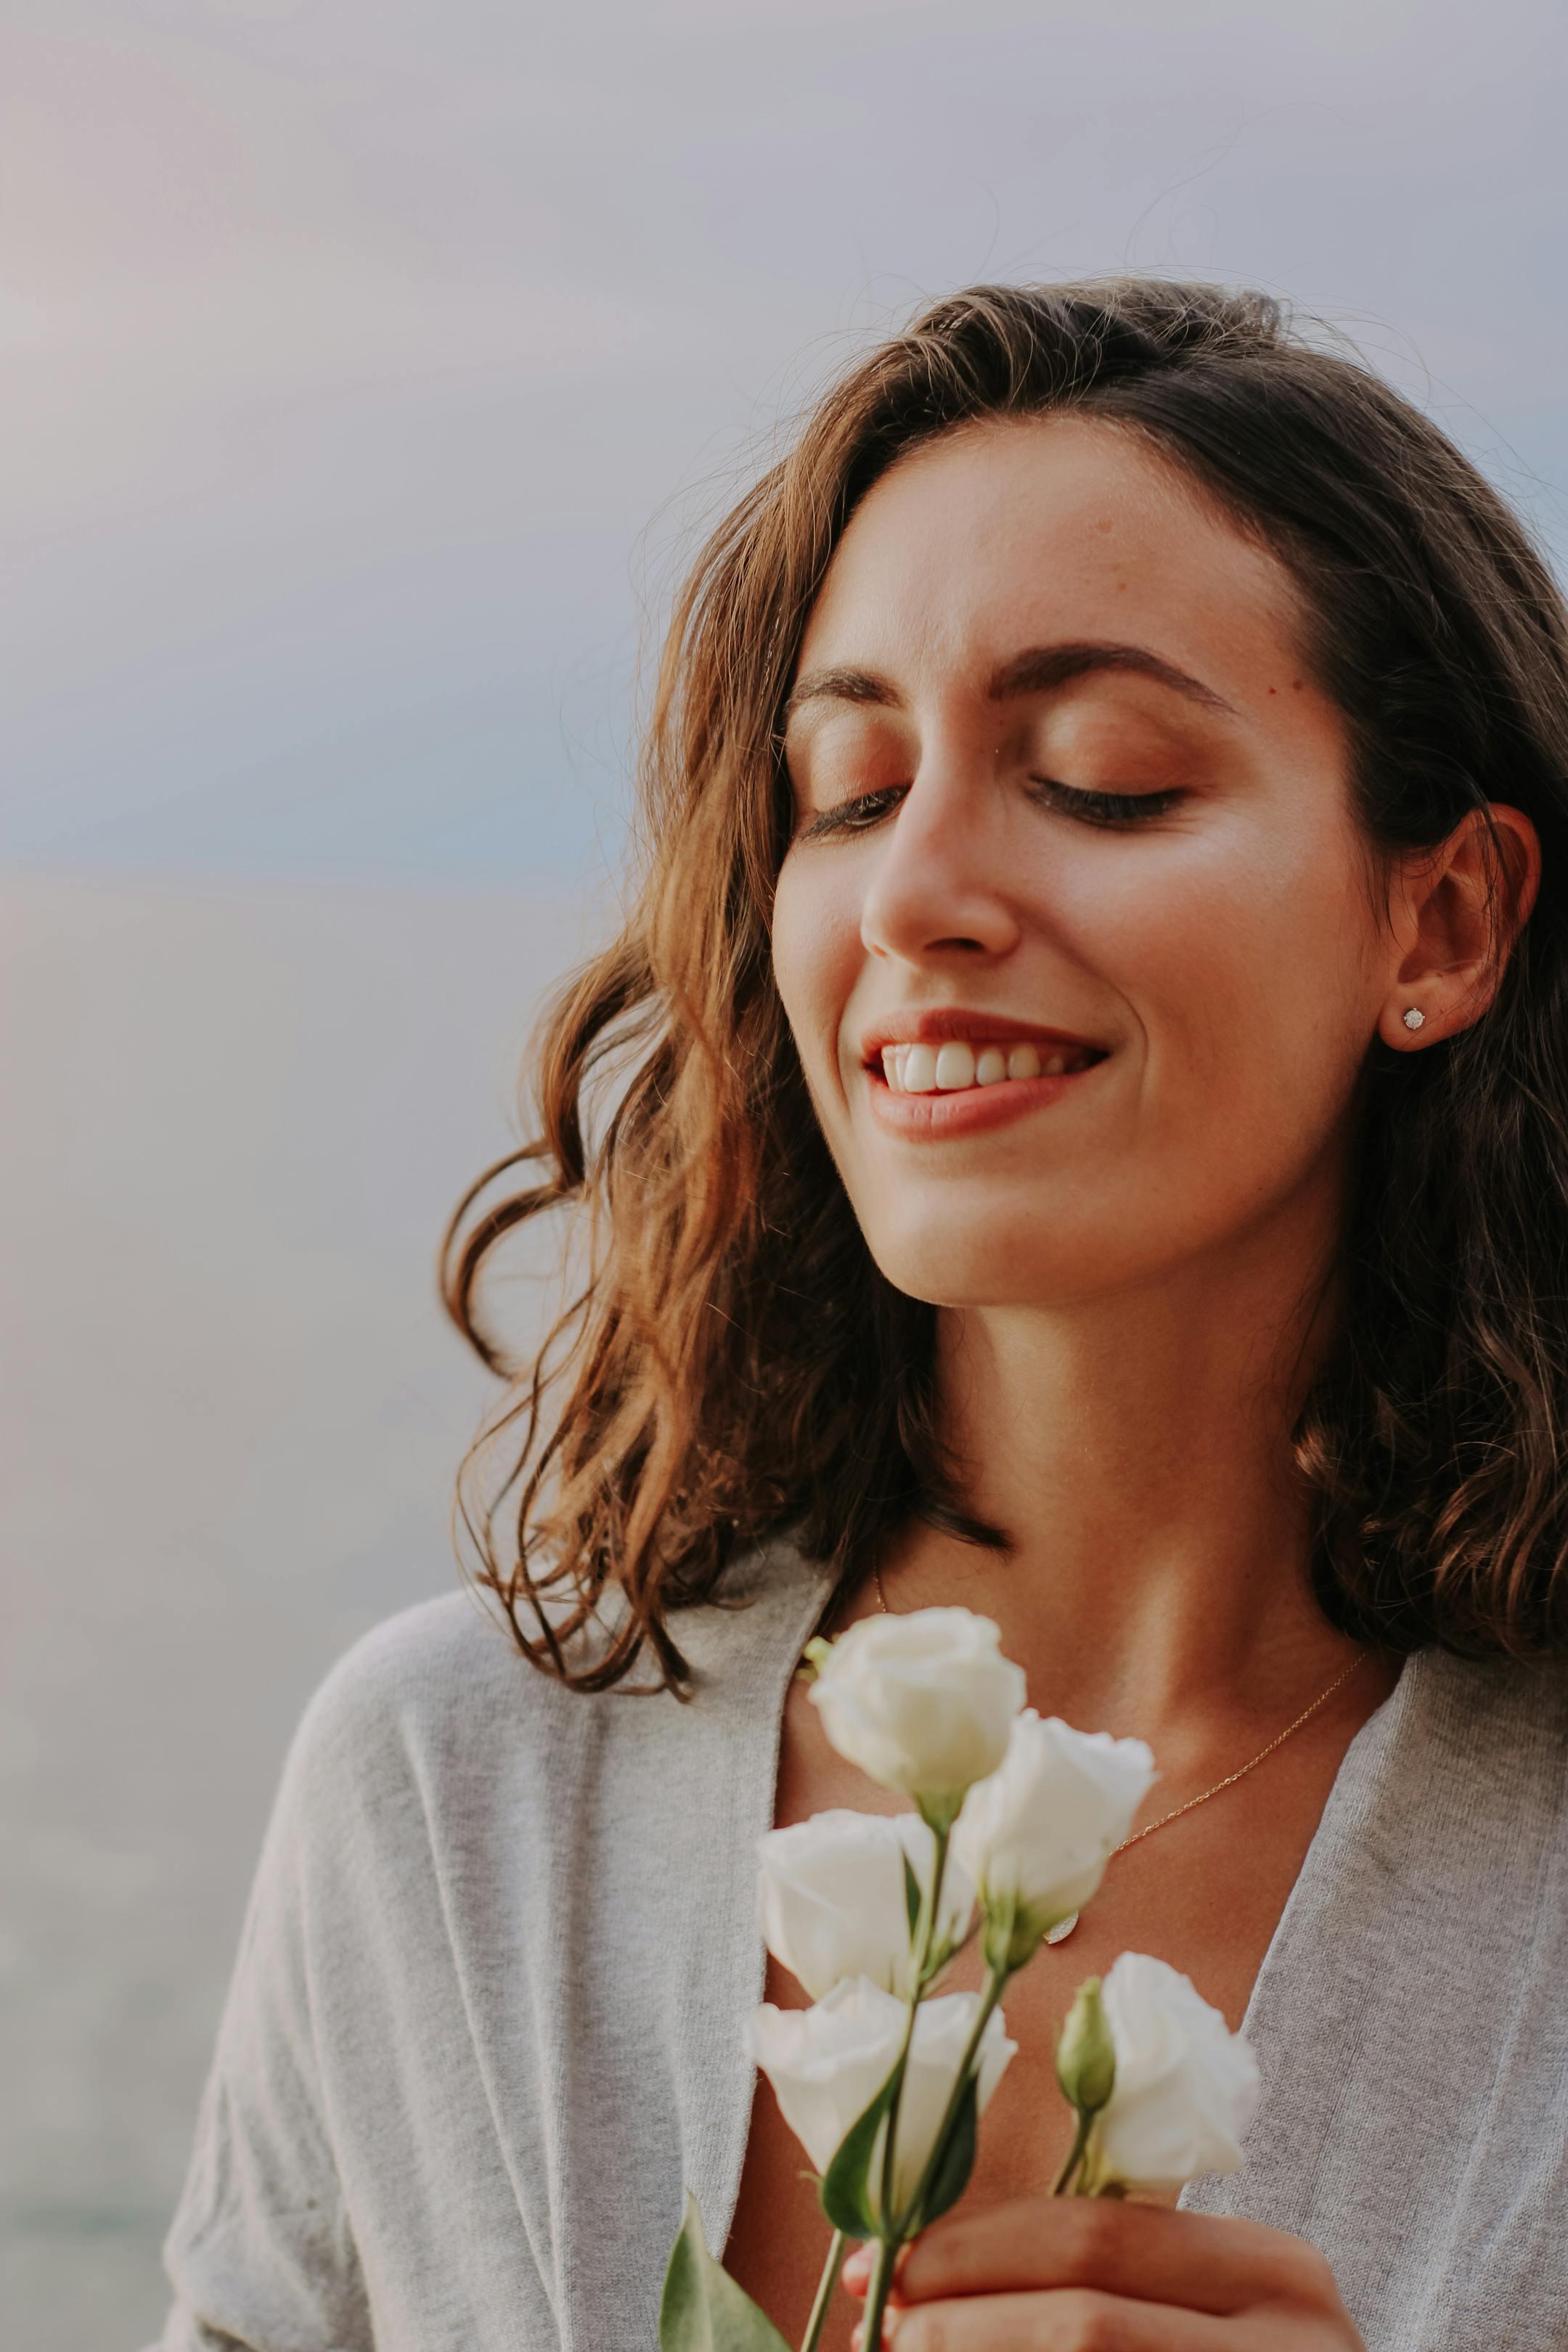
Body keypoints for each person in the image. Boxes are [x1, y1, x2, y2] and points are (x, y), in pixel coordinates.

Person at [149, 282, 1568, 2352]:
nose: (917, 894)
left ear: (1439, 917)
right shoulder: (459, 1795)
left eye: (1098, 779)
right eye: (846, 789)